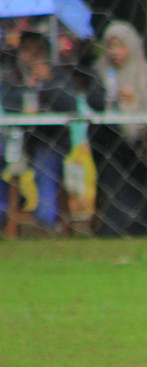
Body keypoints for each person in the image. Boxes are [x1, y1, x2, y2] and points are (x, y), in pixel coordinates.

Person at [0, 31, 78, 233]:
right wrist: (29, 88)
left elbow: (70, 104)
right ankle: (3, 212)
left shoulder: (58, 75)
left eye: (37, 50)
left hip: (49, 140)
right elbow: (9, 106)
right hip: (15, 140)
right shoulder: (12, 75)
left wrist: (48, 82)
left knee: (46, 164)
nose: (32, 56)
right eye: (26, 50)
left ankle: (47, 221)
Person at [92, 21, 147, 237]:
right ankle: (114, 226)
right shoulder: (99, 73)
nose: (115, 52)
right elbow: (94, 101)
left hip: (140, 143)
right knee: (113, 164)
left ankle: (141, 224)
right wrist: (113, 97)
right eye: (111, 46)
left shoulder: (146, 74)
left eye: (121, 46)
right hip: (109, 143)